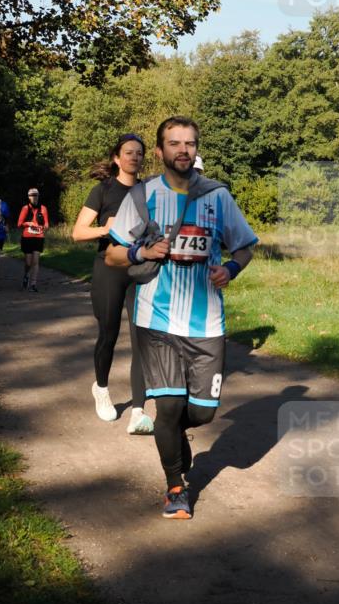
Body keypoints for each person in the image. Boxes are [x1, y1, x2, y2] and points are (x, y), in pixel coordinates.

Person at [106, 116, 258, 518]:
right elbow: (112, 254)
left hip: (206, 323)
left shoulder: (218, 197)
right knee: (168, 408)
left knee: (202, 413)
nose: (183, 150)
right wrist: (142, 252)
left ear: (196, 149)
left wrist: (231, 269)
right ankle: (176, 487)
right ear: (160, 152)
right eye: (174, 143)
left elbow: (244, 246)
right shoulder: (142, 197)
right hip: (155, 319)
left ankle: (176, 435)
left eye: (189, 143)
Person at [72, 134, 153, 435]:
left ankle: (138, 411)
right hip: (108, 267)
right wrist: (105, 228)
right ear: (117, 158)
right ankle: (102, 388)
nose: (135, 157)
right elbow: (78, 232)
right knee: (109, 333)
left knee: (140, 338)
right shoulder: (103, 190)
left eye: (139, 153)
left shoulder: (149, 191)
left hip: (140, 270)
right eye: (129, 152)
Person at [17, 188, 49, 293]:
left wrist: (45, 226)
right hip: (27, 237)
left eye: (36, 195)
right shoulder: (25, 208)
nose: (34, 197)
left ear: (38, 196)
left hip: (39, 237)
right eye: (32, 195)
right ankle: (26, 275)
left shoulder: (43, 208)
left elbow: (46, 223)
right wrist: (29, 223)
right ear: (29, 197)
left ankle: (33, 284)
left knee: (36, 261)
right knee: (28, 262)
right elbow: (19, 224)